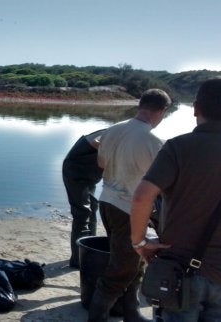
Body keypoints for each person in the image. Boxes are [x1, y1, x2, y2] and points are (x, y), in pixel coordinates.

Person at [130, 78, 221, 321]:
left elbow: (141, 198)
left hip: (179, 269)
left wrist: (139, 242)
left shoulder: (178, 147)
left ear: (195, 108)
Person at [88, 88, 171, 322]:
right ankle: (97, 318)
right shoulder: (154, 142)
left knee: (133, 260)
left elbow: (102, 163)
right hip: (129, 208)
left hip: (106, 201)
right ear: (162, 111)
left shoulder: (113, 129)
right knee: (121, 268)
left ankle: (131, 312)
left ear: (140, 105)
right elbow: (166, 183)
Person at [62, 128, 105, 268]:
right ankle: (78, 260)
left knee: (93, 208)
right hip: (75, 171)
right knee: (82, 213)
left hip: (89, 174)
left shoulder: (126, 133)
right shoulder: (119, 133)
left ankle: (90, 249)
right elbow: (96, 142)